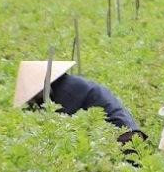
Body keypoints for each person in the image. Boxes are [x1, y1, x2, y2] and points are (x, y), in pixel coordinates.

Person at [13, 60, 145, 144]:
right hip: (113, 133)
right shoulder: (60, 86)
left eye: (33, 95)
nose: (33, 100)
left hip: (124, 135)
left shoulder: (67, 90)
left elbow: (60, 127)